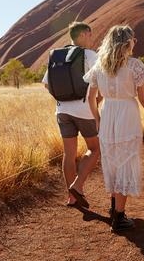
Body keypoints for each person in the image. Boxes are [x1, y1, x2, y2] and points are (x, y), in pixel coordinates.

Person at [83, 25, 144, 232]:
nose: (135, 42)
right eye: (133, 39)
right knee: (125, 160)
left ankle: (114, 207)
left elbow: (91, 98)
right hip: (127, 114)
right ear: (127, 42)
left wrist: (97, 119)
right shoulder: (134, 65)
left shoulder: (99, 65)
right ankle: (119, 217)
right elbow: (143, 97)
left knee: (112, 160)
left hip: (108, 113)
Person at [42, 22, 100, 208]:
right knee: (95, 148)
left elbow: (46, 83)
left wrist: (63, 98)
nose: (91, 38)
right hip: (84, 110)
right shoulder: (90, 55)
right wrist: (95, 103)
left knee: (69, 154)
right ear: (83, 34)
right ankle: (77, 185)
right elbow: (102, 80)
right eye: (89, 34)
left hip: (62, 110)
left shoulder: (58, 55)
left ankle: (72, 197)